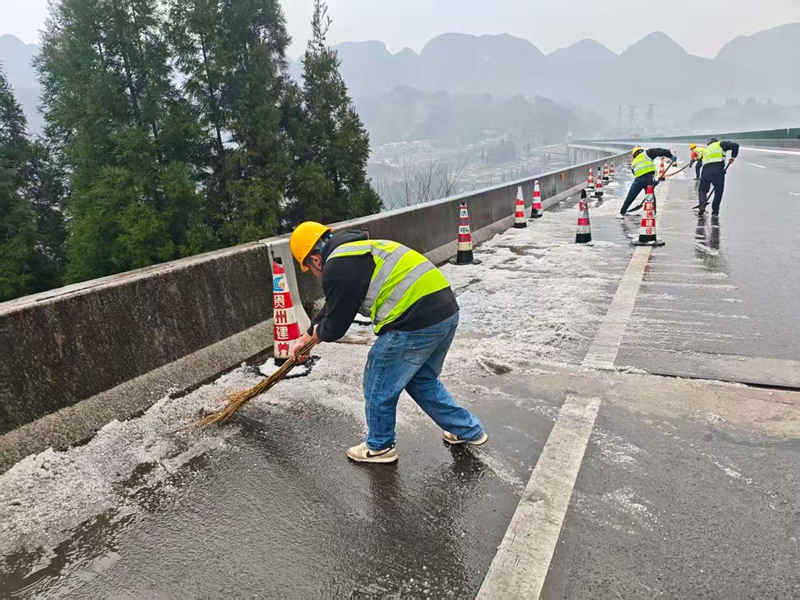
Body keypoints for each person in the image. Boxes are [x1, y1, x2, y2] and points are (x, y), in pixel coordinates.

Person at [288, 222, 487, 464]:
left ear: (315, 260)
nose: (316, 272)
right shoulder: (358, 249)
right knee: (421, 379)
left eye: (310, 268)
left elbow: (336, 327)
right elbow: (335, 305)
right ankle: (468, 430)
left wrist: (317, 335)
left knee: (378, 380)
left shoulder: (336, 266)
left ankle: (380, 446)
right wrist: (308, 337)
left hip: (414, 321)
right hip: (445, 312)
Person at [618, 146, 675, 218]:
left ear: (634, 155)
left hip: (638, 180)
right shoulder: (647, 153)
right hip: (649, 178)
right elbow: (662, 151)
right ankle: (653, 212)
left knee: (631, 196)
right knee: (650, 195)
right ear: (641, 151)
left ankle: (621, 213)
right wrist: (670, 156)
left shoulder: (633, 163)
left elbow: (635, 173)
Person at [697, 138, 739, 216]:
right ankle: (715, 212)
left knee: (702, 190)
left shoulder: (705, 150)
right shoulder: (721, 144)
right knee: (718, 192)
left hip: (705, 171)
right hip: (718, 170)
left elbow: (699, 164)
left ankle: (702, 205)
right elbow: (735, 145)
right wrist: (733, 157)